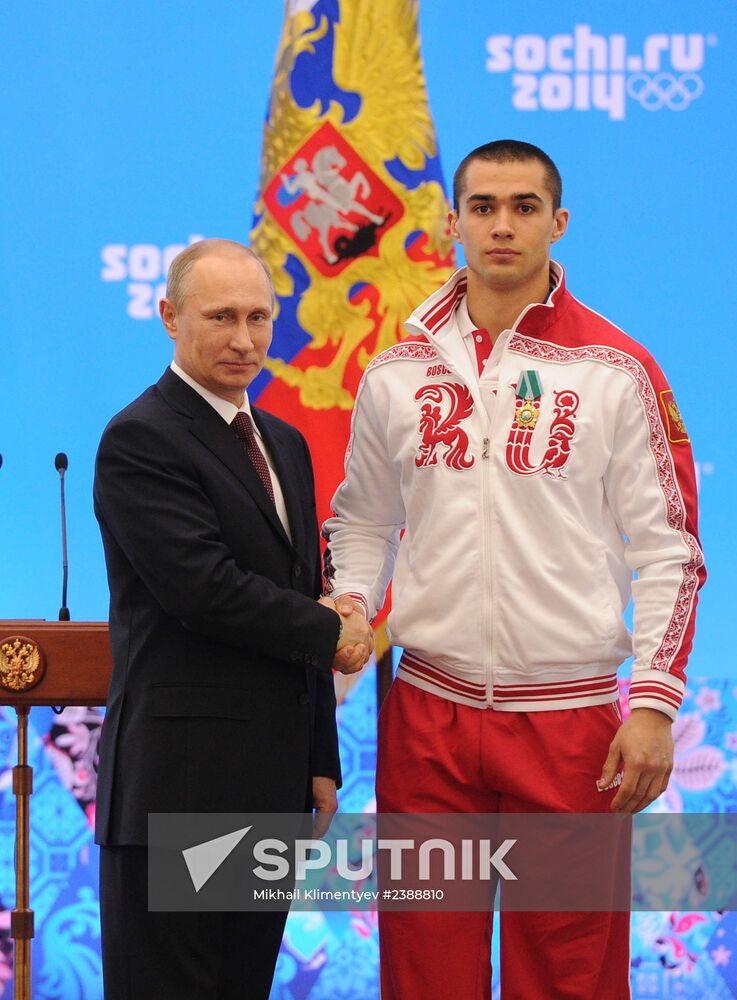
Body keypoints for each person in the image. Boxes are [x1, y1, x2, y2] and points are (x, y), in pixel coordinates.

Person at [322, 141, 705, 998]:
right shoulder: (394, 373)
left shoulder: (617, 371)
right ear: (451, 222)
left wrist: (649, 703)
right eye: (484, 206)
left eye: (523, 207)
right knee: (425, 970)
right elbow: (361, 520)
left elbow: (668, 550)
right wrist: (349, 604)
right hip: (427, 717)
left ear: (556, 222)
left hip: (569, 726)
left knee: (570, 973)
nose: (502, 224)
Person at [93, 238, 372, 1000]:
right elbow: (203, 589)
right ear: (168, 317)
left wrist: (320, 756)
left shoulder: (282, 442)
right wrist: (334, 632)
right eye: (220, 317)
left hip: (269, 786)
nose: (243, 339)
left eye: (258, 317)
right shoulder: (140, 436)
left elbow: (302, 586)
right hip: (176, 792)